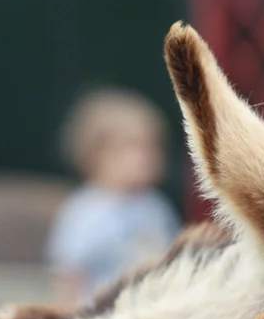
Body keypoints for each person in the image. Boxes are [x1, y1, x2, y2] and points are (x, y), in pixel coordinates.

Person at [47, 87, 182, 305]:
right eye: (134, 148)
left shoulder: (156, 207)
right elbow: (69, 276)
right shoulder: (83, 211)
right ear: (97, 154)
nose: (147, 158)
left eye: (153, 147)